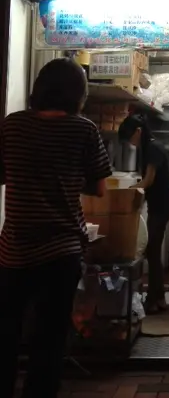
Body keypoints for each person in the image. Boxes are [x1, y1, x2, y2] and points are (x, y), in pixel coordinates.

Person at [0, 58, 112, 398]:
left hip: (14, 248)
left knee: (6, 332)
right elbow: (100, 188)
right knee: (48, 340)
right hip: (61, 250)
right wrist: (65, 177)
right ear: (78, 94)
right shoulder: (84, 129)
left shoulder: (12, 125)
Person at [118, 114, 169, 314]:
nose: (131, 143)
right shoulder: (148, 147)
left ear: (138, 131)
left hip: (162, 205)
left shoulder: (153, 148)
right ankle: (158, 298)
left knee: (152, 250)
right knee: (152, 251)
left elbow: (148, 180)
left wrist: (126, 192)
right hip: (157, 204)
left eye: (130, 138)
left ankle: (155, 299)